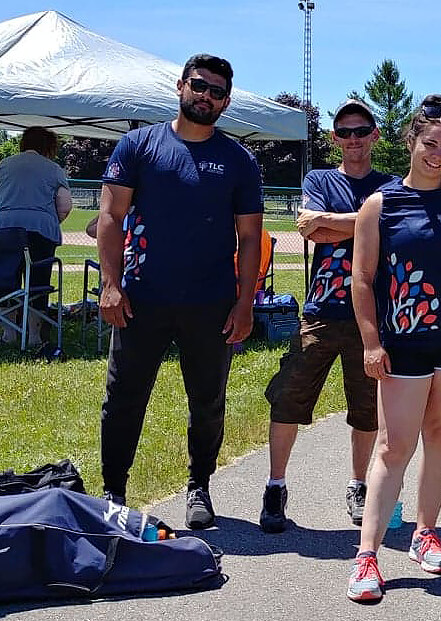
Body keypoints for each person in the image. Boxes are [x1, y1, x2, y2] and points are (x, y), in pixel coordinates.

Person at [345, 95, 441, 603]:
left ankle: (424, 533)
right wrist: (371, 342)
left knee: (440, 436)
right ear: (411, 143)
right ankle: (367, 555)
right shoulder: (381, 204)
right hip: (403, 345)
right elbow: (362, 279)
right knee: (394, 446)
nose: (438, 155)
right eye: (430, 144)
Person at [96, 54, 263, 528]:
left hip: (210, 304)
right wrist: (111, 285)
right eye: (198, 85)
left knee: (207, 400)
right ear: (180, 86)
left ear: (225, 102)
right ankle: (113, 491)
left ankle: (199, 486)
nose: (205, 95)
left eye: (215, 91)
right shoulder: (138, 146)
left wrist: (245, 302)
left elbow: (250, 237)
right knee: (124, 396)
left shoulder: (238, 160)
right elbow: (110, 218)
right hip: (140, 299)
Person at [259, 99, 395, 533]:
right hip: (320, 310)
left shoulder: (390, 186)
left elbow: (327, 227)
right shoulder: (319, 178)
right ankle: (276, 485)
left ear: (374, 135)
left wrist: (332, 223)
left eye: (361, 131)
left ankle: (358, 485)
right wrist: (367, 222)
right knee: (288, 398)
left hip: (371, 317)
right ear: (334, 137)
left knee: (367, 408)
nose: (353, 139)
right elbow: (307, 227)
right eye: (345, 132)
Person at [0, 126, 72, 344]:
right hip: (40, 231)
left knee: (5, 281)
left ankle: (9, 333)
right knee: (38, 283)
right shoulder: (54, 170)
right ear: (49, 147)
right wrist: (50, 220)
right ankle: (34, 335)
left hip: (4, 230)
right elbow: (65, 205)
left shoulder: (3, 165)